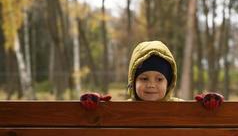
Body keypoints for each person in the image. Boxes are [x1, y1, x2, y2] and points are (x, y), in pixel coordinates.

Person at [80, 40, 223, 109]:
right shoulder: (123, 111)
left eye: (160, 79)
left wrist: (207, 107)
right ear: (133, 81)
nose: (151, 84)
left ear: (169, 83)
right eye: (144, 78)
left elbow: (198, 123)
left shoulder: (180, 108)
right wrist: (97, 107)